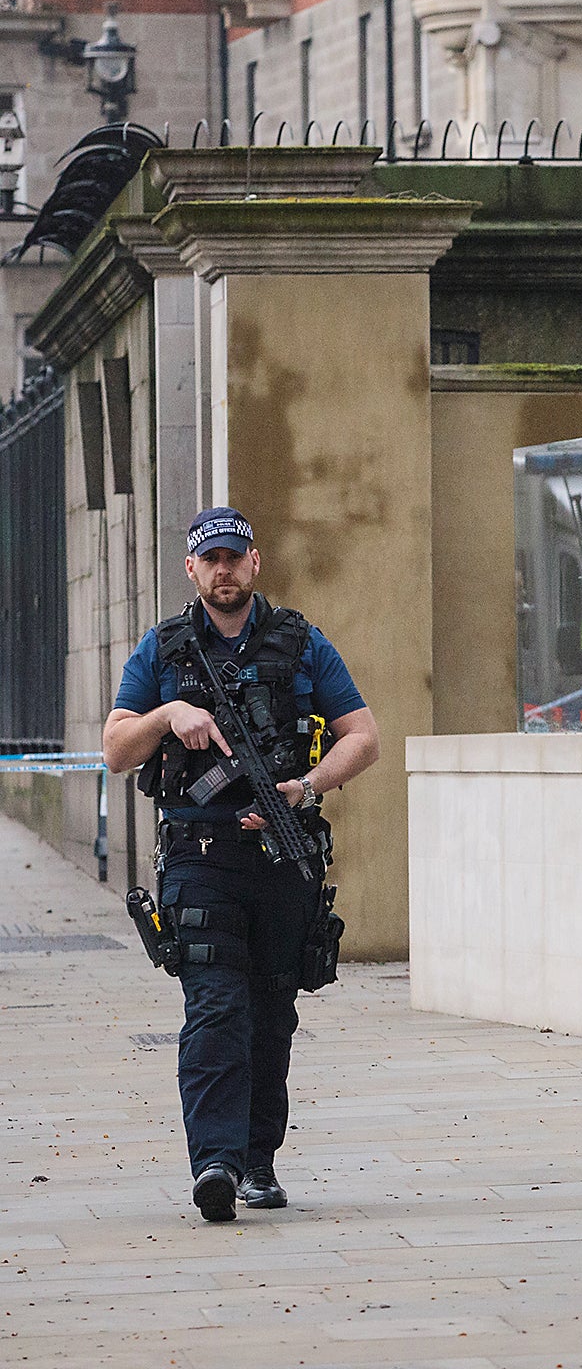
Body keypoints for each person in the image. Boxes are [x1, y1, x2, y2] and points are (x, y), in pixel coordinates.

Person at [102, 507, 379, 1223]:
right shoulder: (162, 650)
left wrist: (307, 787)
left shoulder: (301, 642)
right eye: (209, 560)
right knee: (216, 1009)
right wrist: (169, 716)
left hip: (282, 856)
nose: (223, 571)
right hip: (200, 859)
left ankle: (259, 1161)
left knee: (270, 1012)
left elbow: (363, 737)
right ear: (192, 570)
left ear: (255, 563)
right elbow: (116, 748)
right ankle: (215, 1163)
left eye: (234, 558)